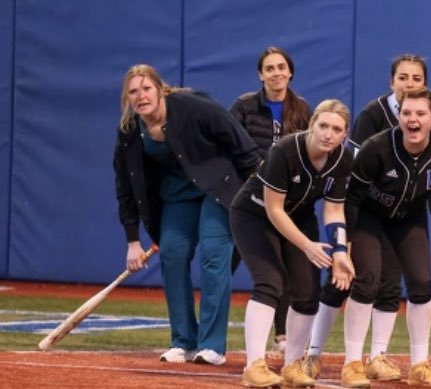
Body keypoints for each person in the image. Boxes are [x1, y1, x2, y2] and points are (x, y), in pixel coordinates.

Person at [114, 64, 260, 365]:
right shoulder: (129, 132)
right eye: (133, 92)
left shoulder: (193, 107)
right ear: (127, 98)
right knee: (172, 253)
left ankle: (212, 346)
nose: (141, 96)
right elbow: (126, 188)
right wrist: (132, 240)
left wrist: (255, 197)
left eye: (146, 88)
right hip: (177, 198)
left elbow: (242, 146)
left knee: (213, 254)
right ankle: (183, 341)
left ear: (160, 88)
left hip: (217, 188)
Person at [303, 53, 429, 382]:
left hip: (399, 215)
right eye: (403, 78)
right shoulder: (373, 115)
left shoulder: (424, 116)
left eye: (416, 79)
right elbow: (355, 172)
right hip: (363, 210)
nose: (409, 84)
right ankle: (312, 353)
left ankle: (377, 356)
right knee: (346, 281)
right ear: (391, 82)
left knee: (389, 286)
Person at [339, 88, 431, 388]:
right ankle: (352, 363)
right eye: (406, 113)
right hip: (369, 217)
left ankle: (419, 364)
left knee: (422, 285)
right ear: (398, 117)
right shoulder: (377, 147)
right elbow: (352, 199)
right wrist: (346, 244)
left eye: (421, 113)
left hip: (410, 219)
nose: (413, 119)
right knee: (367, 282)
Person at [233, 99, 356, 388]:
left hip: (299, 217)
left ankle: (292, 364)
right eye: (323, 125)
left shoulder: (343, 159)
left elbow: (335, 210)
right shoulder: (285, 150)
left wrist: (340, 251)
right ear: (312, 125)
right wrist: (307, 245)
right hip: (255, 213)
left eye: (336, 129)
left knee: (307, 291)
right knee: (271, 283)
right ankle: (254, 366)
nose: (328, 133)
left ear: (345, 135)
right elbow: (274, 209)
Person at [228, 45, 313, 360]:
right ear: (260, 75)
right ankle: (207, 338)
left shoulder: (302, 109)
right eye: (270, 68)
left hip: (287, 204)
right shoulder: (245, 107)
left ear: (290, 72)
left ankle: (283, 335)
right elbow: (228, 144)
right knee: (227, 266)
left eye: (281, 67)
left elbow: (309, 153)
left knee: (286, 271)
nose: (277, 73)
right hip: (248, 200)